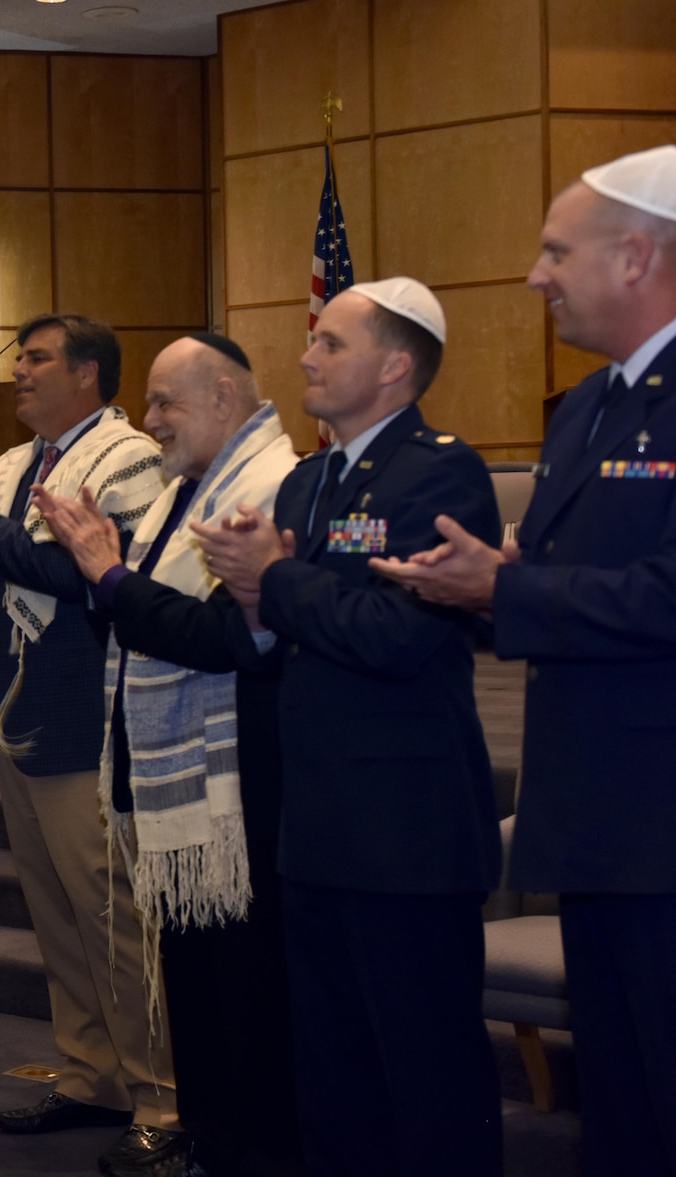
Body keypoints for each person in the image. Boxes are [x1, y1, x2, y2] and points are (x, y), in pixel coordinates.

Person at [372, 146, 676, 1175]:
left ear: (635, 257)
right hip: (592, 826)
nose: (533, 275)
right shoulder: (588, 408)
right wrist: (477, 588)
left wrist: (506, 590)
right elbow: (562, 591)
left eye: (555, 251)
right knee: (622, 1114)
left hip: (663, 826)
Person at [191, 278, 502, 1177]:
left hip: (405, 829)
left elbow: (399, 637)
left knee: (425, 1075)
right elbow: (265, 645)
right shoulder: (309, 479)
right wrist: (253, 601)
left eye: (329, 342)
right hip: (317, 821)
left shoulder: (440, 470)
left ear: (396, 365)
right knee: (333, 1076)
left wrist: (276, 585)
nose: (305, 356)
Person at [34, 334, 305, 1177]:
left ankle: (250, 1150)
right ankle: (212, 1141)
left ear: (225, 399)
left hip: (244, 784)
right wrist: (100, 575)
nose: (149, 423)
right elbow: (134, 616)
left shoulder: (271, 486)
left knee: (244, 992)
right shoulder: (183, 490)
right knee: (195, 984)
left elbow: (227, 639)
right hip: (185, 789)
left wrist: (110, 578)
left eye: (165, 404)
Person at [0, 313, 177, 1175]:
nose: (18, 372)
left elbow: (87, 575)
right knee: (58, 916)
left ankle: (161, 1095)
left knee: (113, 916)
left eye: (36, 359)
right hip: (14, 713)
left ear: (90, 374)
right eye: (19, 358)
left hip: (83, 716)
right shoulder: (11, 464)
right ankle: (92, 1073)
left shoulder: (129, 457)